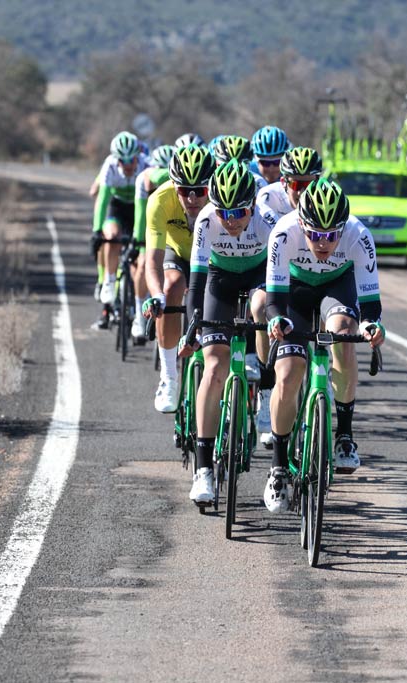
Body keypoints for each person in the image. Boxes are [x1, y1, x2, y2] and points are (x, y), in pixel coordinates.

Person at [262, 178, 385, 512]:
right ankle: (278, 466)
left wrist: (371, 326)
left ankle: (344, 435)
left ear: (343, 228)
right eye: (315, 234)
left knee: (344, 335)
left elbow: (370, 303)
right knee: (289, 373)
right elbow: (274, 301)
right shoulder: (284, 232)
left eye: (332, 236)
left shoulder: (359, 235)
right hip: (295, 291)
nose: (323, 243)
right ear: (302, 224)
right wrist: (277, 320)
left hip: (337, 286)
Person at [179, 160, 272, 504]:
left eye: (239, 212)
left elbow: (282, 278)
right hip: (219, 281)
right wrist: (193, 327)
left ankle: (265, 387)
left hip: (260, 276)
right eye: (224, 213)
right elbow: (196, 282)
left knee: (261, 307)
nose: (230, 220)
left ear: (253, 206)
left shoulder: (268, 221)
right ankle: (203, 470)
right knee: (214, 368)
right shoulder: (206, 220)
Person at [252, 146, 324, 445]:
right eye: (296, 183)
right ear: (284, 182)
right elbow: (272, 243)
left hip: (313, 269)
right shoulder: (267, 198)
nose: (302, 190)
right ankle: (267, 384)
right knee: (260, 306)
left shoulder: (327, 199)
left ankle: (323, 380)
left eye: (309, 183)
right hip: (273, 264)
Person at [143, 144, 215, 412]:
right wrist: (156, 296)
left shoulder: (221, 201)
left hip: (211, 257)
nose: (193, 198)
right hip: (177, 252)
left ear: (211, 187)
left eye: (200, 191)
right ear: (174, 185)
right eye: (185, 190)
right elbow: (152, 261)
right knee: (171, 286)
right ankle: (169, 378)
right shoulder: (159, 201)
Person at [91, 131, 147, 329]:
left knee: (140, 256)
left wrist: (139, 238)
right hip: (118, 208)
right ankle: (108, 281)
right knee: (111, 236)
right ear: (116, 160)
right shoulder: (110, 166)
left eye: (132, 159)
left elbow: (147, 207)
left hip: (140, 210)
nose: (128, 165)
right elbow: (102, 199)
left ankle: (138, 308)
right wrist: (96, 231)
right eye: (123, 160)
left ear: (138, 156)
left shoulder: (146, 165)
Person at [130, 144, 175, 342]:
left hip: (171, 229)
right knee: (143, 264)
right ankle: (139, 318)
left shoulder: (177, 184)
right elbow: (140, 216)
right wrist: (138, 241)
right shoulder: (144, 178)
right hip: (149, 226)